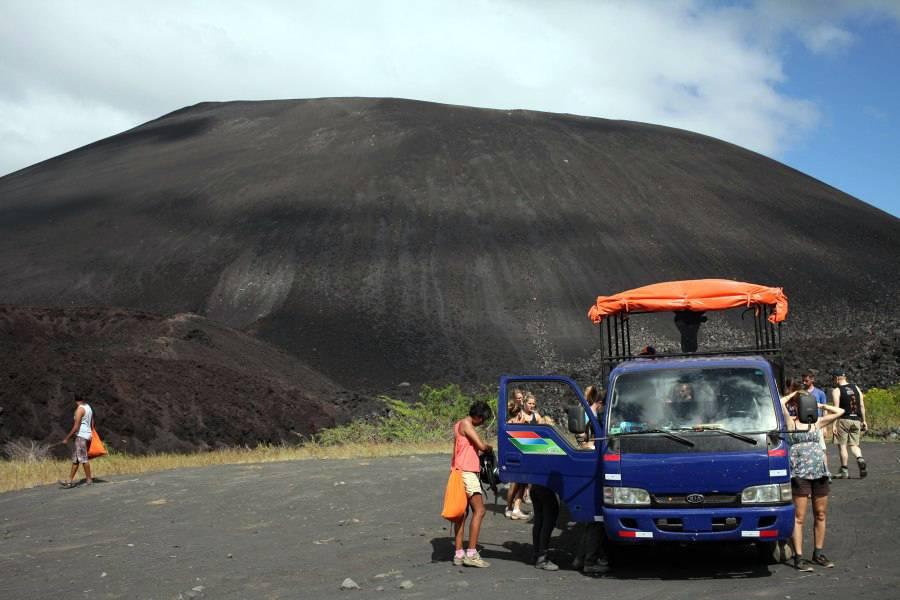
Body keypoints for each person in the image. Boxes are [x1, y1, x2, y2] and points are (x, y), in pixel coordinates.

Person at [781, 379, 845, 570]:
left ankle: (818, 553)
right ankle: (798, 557)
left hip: (819, 473)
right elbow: (779, 402)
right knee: (799, 516)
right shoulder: (790, 423)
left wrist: (819, 404)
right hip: (800, 473)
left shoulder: (816, 422)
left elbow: (840, 412)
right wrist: (794, 396)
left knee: (821, 514)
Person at [451, 401, 494, 568]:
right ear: (477, 416)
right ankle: (471, 554)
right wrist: (489, 448)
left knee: (462, 514)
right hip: (468, 473)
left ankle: (459, 554)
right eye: (482, 419)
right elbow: (482, 446)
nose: (482, 422)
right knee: (480, 511)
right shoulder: (467, 424)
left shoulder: (458, 425)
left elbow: (455, 451)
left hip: (458, 470)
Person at [573, 385, 609, 574]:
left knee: (589, 520)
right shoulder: (592, 417)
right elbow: (582, 440)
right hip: (592, 466)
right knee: (596, 518)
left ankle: (581, 558)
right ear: (601, 403)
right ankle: (590, 560)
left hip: (591, 465)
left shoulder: (590, 414)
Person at [830, 369, 868, 479]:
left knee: (842, 446)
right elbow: (861, 405)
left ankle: (844, 470)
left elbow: (836, 409)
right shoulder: (856, 387)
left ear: (837, 378)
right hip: (856, 420)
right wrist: (864, 420)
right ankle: (859, 458)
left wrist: (833, 425)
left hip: (843, 420)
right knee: (854, 445)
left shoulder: (837, 390)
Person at [59, 395, 94, 488]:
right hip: (86, 434)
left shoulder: (79, 410)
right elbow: (92, 421)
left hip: (81, 436)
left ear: (75, 401)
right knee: (76, 459)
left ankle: (89, 480)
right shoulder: (88, 407)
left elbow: (76, 427)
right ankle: (69, 481)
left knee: (83, 458)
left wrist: (67, 438)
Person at [802, 370, 830, 474]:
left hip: (817, 423)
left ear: (812, 380)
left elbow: (825, 409)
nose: (804, 382)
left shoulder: (820, 393)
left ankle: (826, 471)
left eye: (806, 380)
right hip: (804, 424)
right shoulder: (801, 393)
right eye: (803, 380)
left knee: (822, 448)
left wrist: (825, 426)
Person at [504, 400, 529, 520]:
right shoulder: (519, 424)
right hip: (520, 456)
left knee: (514, 484)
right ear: (519, 413)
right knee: (521, 484)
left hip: (511, 457)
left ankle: (509, 508)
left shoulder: (508, 423)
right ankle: (516, 509)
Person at [530, 483, 560, 570]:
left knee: (539, 521)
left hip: (535, 486)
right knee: (548, 523)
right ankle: (542, 558)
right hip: (547, 488)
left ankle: (537, 554)